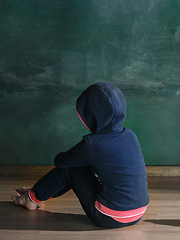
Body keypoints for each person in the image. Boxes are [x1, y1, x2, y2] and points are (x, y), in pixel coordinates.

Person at [12, 82, 149, 228]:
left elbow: (60, 162)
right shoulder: (130, 135)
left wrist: (75, 156)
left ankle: (32, 199)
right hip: (138, 213)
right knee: (86, 166)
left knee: (71, 168)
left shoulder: (92, 144)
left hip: (109, 217)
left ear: (92, 115)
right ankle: (37, 195)